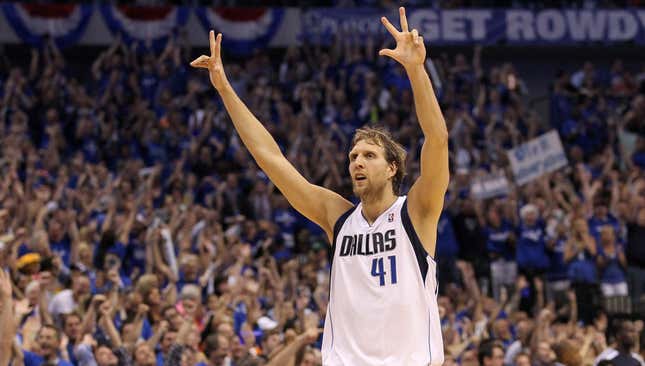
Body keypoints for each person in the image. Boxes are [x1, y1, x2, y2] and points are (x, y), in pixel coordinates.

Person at [191, 6, 448, 365]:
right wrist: (224, 89)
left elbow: (436, 140)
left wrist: (416, 71)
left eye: (368, 156)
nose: (356, 161)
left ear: (392, 168)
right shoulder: (338, 217)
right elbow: (272, 159)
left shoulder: (417, 212)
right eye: (353, 156)